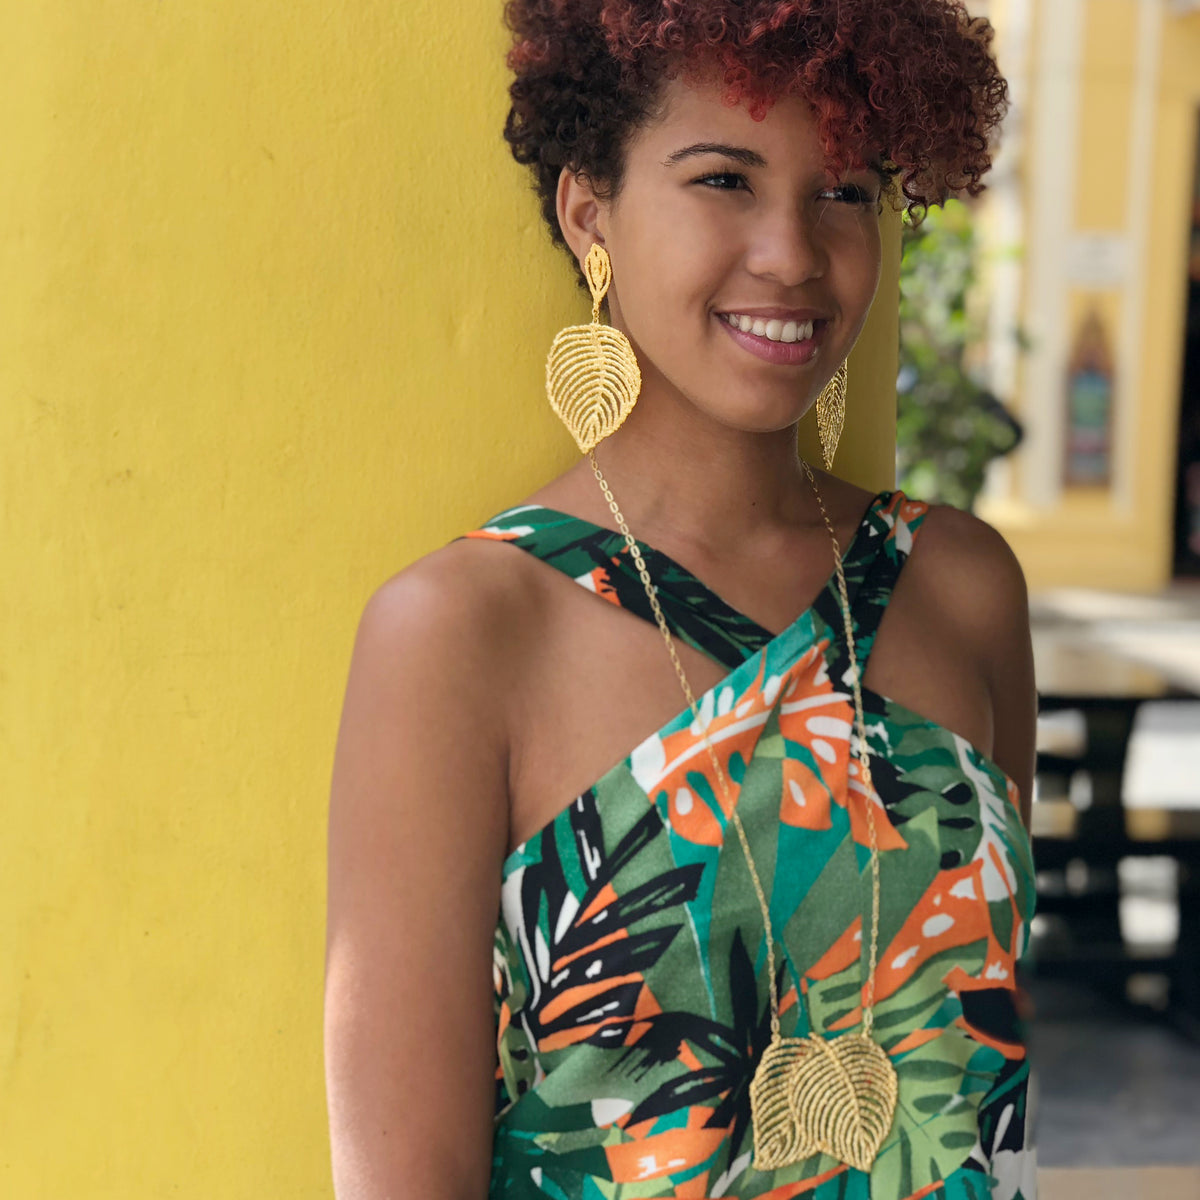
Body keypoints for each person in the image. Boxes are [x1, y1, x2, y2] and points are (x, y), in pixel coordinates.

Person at [324, 2, 1037, 1197]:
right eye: (724, 179)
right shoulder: (464, 632)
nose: (794, 252)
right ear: (588, 209)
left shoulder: (960, 589)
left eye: (847, 192)